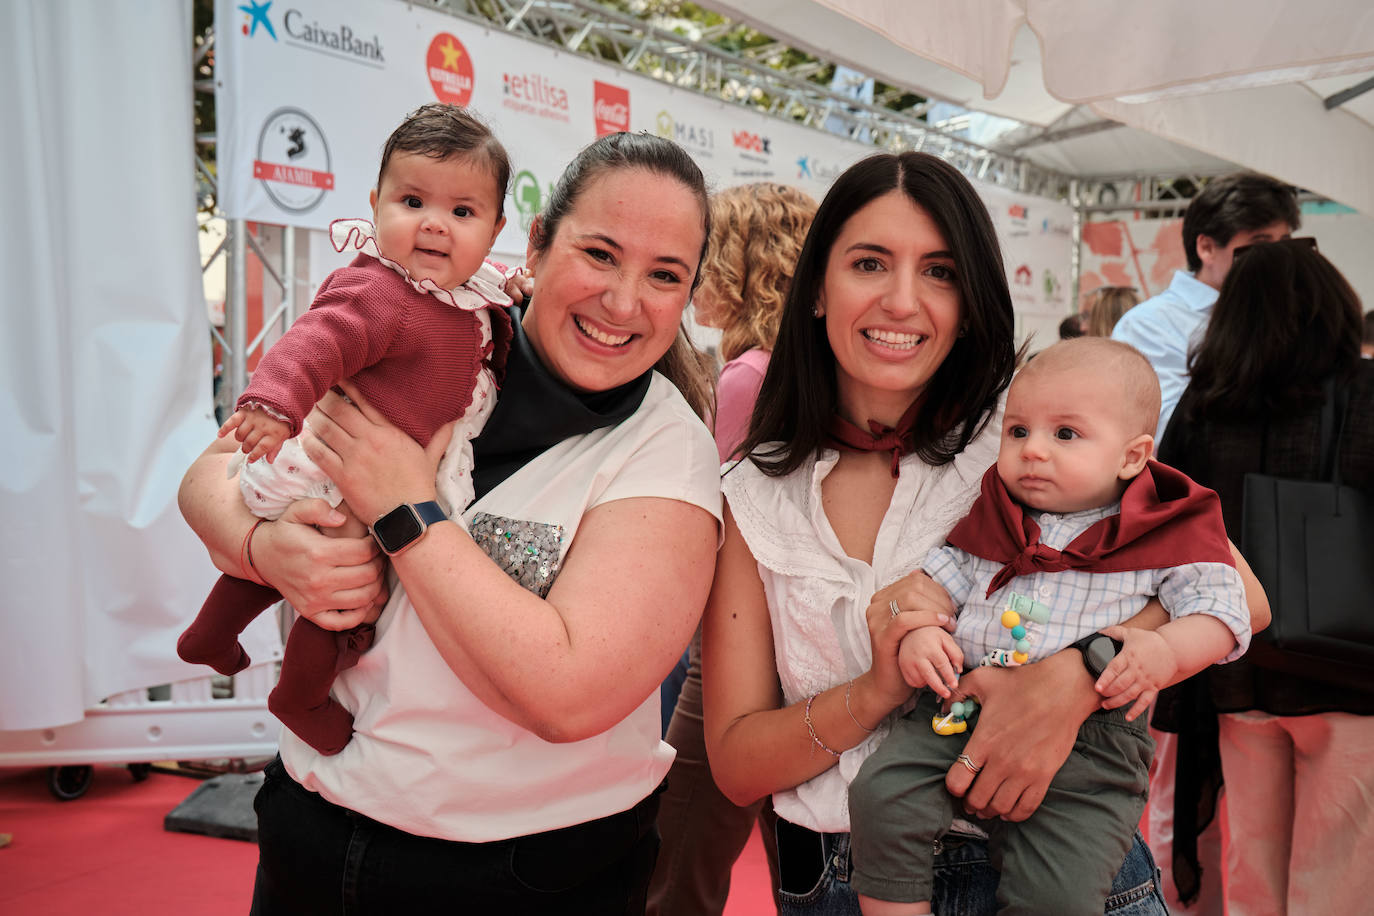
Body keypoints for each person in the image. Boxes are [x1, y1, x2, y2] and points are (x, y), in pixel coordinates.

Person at [701, 150, 1268, 916]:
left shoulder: (1037, 433)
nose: (904, 301)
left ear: (970, 300)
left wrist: (1073, 678)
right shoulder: (759, 489)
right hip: (847, 879)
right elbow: (737, 764)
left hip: (1063, 867)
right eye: (870, 263)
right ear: (814, 290)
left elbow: (1241, 598)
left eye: (939, 272)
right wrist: (875, 689)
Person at [179, 131, 723, 914]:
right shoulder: (441, 308)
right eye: (600, 254)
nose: (624, 301)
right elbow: (210, 473)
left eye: (664, 275)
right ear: (536, 244)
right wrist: (265, 548)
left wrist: (405, 507)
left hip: (524, 874)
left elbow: (567, 695)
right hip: (313, 827)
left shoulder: (669, 452)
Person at [847, 337, 1250, 916]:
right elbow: (938, 581)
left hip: (1096, 745)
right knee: (882, 796)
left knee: (1058, 893)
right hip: (959, 708)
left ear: (1132, 457)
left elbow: (1224, 611)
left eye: (1065, 434)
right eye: (1018, 432)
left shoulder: (1164, 526)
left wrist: (1165, 651)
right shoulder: (997, 515)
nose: (1033, 451)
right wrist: (920, 633)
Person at [177, 103, 513, 755]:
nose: (435, 225)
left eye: (463, 213)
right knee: (348, 587)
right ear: (376, 202)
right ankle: (299, 695)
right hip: (337, 467)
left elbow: (492, 325)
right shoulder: (380, 290)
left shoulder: (471, 294)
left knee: (312, 561)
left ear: (496, 227)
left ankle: (212, 633)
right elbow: (315, 341)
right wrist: (273, 405)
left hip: (379, 466)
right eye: (412, 200)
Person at [1157, 239, 1374, 916]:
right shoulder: (1366, 393)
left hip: (1236, 666)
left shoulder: (1205, 405)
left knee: (1249, 862)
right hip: (1351, 670)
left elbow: (1167, 524)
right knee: (1337, 876)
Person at [1110, 170, 1297, 913]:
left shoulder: (1291, 322)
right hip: (1177, 571)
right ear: (1207, 247)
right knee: (1175, 779)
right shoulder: (1151, 327)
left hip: (1271, 578)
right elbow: (1150, 452)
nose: (1275, 261)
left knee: (1257, 810)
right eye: (1258, 248)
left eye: (1285, 245)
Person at [649, 181, 817, 916]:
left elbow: (710, 527)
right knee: (810, 872)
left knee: (675, 869)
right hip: (810, 656)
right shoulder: (806, 371)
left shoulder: (749, 378)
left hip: (737, 654)